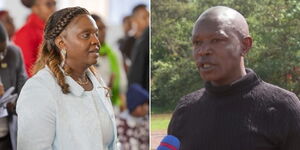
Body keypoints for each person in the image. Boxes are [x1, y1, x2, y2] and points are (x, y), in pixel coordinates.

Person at [167, 6, 300, 150]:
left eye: (217, 40)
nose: (203, 51)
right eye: (197, 42)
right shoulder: (185, 110)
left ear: (245, 45)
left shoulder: (283, 107)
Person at [16, 7, 119, 150]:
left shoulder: (96, 81)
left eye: (96, 33)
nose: (96, 41)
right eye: (86, 35)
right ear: (61, 43)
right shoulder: (39, 89)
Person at [91, 14, 128, 111]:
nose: (103, 32)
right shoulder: (83, 55)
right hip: (93, 107)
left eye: (104, 28)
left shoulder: (114, 54)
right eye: (99, 28)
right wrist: (108, 86)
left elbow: (123, 84)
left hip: (114, 106)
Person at [0, 23, 27, 150]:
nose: (2, 56)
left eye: (3, 50)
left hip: (8, 133)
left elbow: (23, 85)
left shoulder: (13, 52)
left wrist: (16, 104)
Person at [13, 0, 56, 77]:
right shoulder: (25, 33)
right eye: (48, 4)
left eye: (54, 4)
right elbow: (28, 70)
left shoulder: (52, 28)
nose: (54, 8)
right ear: (35, 8)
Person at [117, 84, 149, 150]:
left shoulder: (146, 121)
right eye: (142, 105)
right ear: (134, 106)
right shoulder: (120, 123)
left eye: (146, 104)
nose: (146, 108)